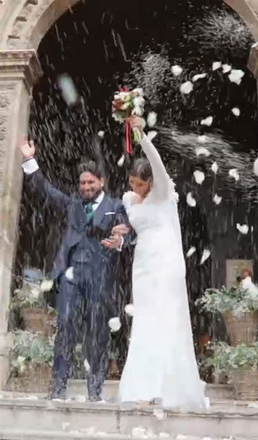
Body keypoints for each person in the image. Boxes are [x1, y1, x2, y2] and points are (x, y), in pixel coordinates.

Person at [18, 138, 130, 402]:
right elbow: (45, 190)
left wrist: (120, 241)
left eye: (91, 182)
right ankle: (58, 387)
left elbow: (129, 232)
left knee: (97, 332)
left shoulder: (116, 206)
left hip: (100, 277)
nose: (86, 187)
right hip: (70, 275)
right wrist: (29, 161)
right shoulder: (73, 204)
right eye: (82, 183)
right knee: (66, 327)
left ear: (101, 182)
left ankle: (95, 390)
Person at [114, 119, 206, 410]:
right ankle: (143, 387)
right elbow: (132, 230)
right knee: (145, 324)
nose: (135, 188)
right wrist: (120, 235)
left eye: (140, 183)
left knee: (166, 322)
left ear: (151, 181)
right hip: (142, 266)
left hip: (166, 265)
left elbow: (156, 162)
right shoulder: (129, 200)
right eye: (132, 183)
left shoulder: (164, 192)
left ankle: (166, 388)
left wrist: (140, 135)